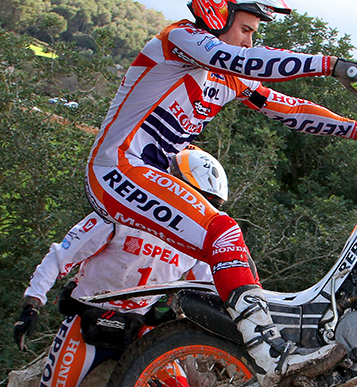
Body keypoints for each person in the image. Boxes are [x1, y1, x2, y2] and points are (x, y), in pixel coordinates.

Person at [82, 0, 357, 386]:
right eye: (245, 27)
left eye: (253, 31)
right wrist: (332, 65)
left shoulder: (229, 76)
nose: (250, 39)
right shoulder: (179, 40)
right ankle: (268, 353)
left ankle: (230, 353)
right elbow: (242, 58)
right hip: (115, 168)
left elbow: (291, 108)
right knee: (222, 232)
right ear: (217, 10)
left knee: (232, 262)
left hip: (143, 176)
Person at [14, 148, 225, 387]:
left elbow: (209, 291)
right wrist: (32, 304)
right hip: (86, 324)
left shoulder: (196, 244)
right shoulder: (118, 215)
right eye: (198, 200)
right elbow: (61, 256)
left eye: (207, 205)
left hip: (141, 329)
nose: (200, 210)